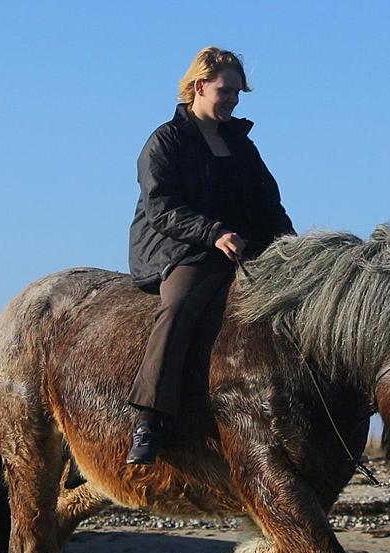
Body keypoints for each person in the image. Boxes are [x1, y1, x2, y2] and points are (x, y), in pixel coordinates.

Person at [126, 46, 294, 464]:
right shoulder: (165, 141)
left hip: (238, 247)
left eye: (238, 93)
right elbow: (161, 208)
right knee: (180, 306)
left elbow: (268, 205)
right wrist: (213, 232)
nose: (233, 100)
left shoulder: (241, 145)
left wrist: (295, 251)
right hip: (178, 247)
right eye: (226, 91)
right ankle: (149, 418)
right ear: (199, 87)